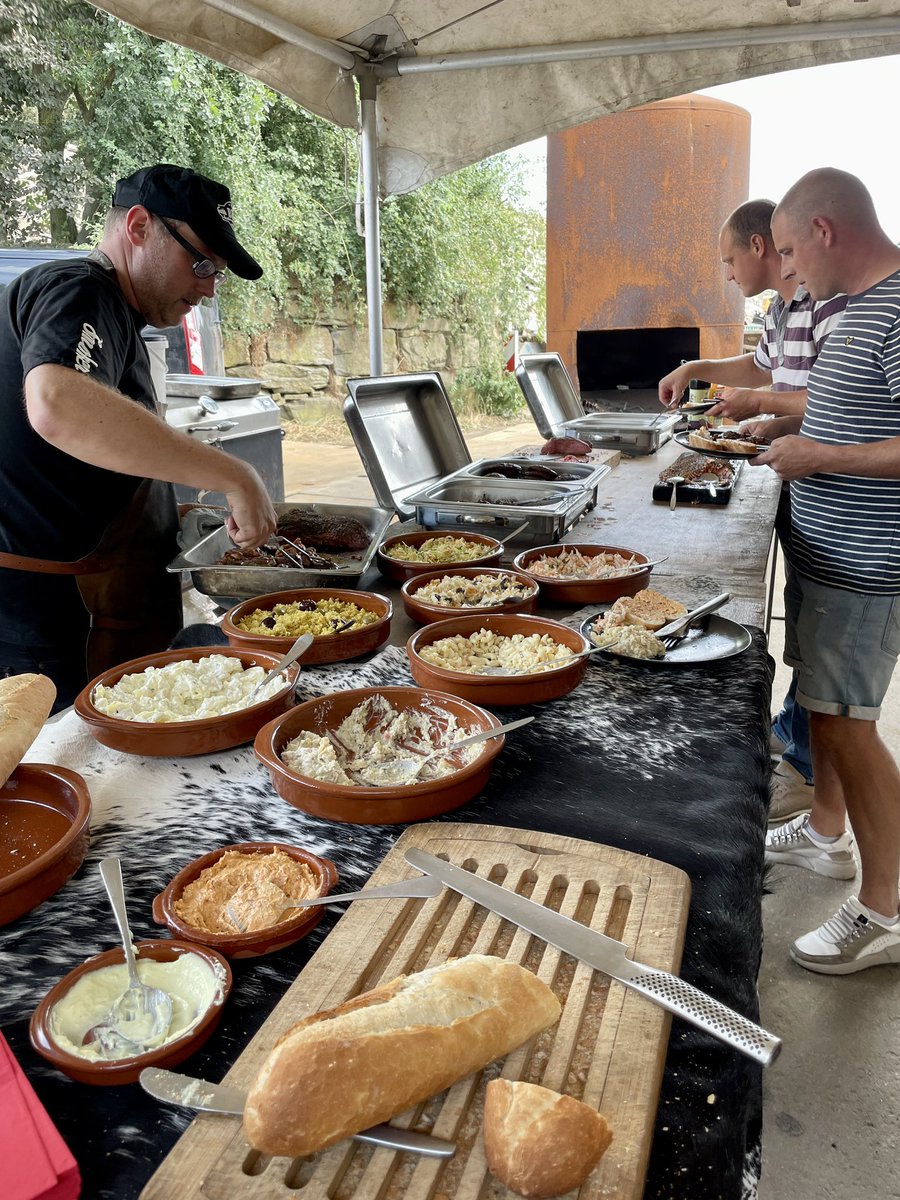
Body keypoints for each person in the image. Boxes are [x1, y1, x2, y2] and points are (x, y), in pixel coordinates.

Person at [0, 164, 277, 712]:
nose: (207, 287)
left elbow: (97, 448)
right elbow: (57, 404)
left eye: (216, 272)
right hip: (47, 625)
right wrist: (234, 473)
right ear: (138, 226)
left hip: (96, 610)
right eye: (200, 263)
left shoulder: (119, 318)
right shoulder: (79, 290)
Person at [659, 200, 847, 825]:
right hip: (799, 478)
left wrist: (762, 403)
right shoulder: (783, 306)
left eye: (730, 259)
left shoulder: (829, 300)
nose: (729, 274)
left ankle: (807, 773)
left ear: (762, 246)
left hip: (843, 499)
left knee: (830, 639)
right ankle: (793, 731)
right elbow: (764, 369)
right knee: (805, 619)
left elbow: (832, 393)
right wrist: (697, 368)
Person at [756, 167, 900, 974]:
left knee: (849, 723)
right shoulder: (855, 309)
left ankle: (886, 911)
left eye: (787, 251)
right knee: (819, 698)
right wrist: (783, 426)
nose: (786, 272)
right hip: (826, 547)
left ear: (824, 231)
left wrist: (819, 455)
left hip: (869, 565)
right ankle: (823, 835)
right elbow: (845, 406)